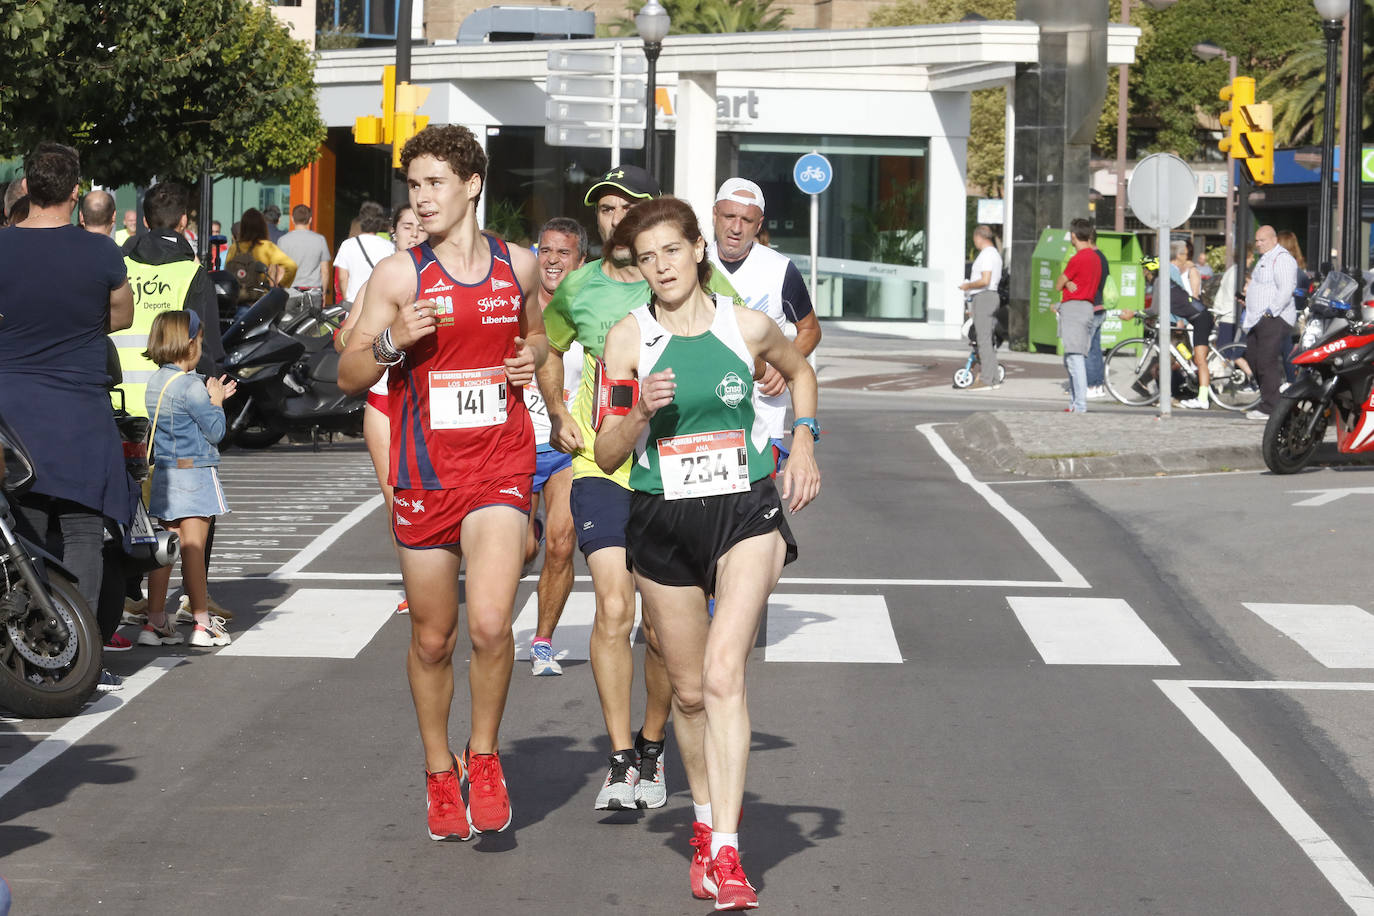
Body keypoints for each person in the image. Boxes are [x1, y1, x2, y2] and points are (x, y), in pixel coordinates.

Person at [594, 197, 821, 912]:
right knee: (688, 693)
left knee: (725, 674)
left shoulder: (745, 325)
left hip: (745, 509)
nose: (660, 266)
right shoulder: (628, 342)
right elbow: (604, 451)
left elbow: (802, 370)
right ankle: (702, 822)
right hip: (662, 519)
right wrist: (637, 415)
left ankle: (728, 849)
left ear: (698, 250)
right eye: (646, 257)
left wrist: (805, 440)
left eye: (671, 250)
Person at [337, 125, 545, 841]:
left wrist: (527, 360)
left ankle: (483, 756)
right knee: (433, 638)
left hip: (500, 463)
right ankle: (437, 767)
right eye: (414, 186)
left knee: (489, 625)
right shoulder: (399, 275)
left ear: (471, 185)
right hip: (426, 471)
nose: (421, 199)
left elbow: (540, 335)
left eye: (433, 184)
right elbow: (348, 372)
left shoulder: (517, 266)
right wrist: (395, 344)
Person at [538, 165, 743, 812]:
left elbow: (740, 330)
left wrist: (767, 376)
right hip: (603, 463)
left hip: (671, 466)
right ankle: (620, 757)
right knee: (613, 607)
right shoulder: (580, 286)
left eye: (629, 208)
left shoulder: (690, 273)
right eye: (605, 210)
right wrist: (557, 410)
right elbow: (544, 344)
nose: (616, 220)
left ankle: (655, 747)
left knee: (661, 629)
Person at [0, 142, 134, 692]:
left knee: (21, 531)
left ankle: (29, 653)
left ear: (27, 187)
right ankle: (81, 654)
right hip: (80, 409)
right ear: (77, 192)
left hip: (12, 415)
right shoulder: (100, 253)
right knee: (82, 529)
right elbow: (120, 317)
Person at [334, 204, 428, 616]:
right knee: (396, 498)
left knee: (439, 494)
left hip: (430, 403)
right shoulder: (379, 279)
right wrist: (366, 337)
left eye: (421, 227)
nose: (414, 233)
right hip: (384, 400)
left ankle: (441, 569)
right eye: (407, 227)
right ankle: (415, 583)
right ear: (395, 233)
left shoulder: (446, 279)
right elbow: (342, 339)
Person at [707, 177, 822, 464]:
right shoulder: (692, 263)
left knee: (755, 507)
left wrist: (785, 366)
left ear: (759, 225)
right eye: (729, 216)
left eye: (746, 220)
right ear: (714, 215)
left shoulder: (779, 269)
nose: (736, 227)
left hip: (762, 419)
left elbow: (810, 330)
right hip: (702, 418)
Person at [138, 310, 234, 648]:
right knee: (194, 549)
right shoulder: (193, 386)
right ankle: (202, 623)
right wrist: (217, 401)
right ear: (188, 342)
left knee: (165, 549)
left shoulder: (156, 383)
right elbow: (216, 431)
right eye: (199, 339)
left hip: (165, 473)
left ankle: (154, 623)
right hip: (194, 473)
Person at [522, 217, 586, 676]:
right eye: (546, 250)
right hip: (515, 444)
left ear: (580, 260)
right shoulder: (517, 307)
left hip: (566, 444)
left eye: (564, 253)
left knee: (563, 546)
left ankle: (543, 640)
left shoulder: (589, 312)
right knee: (522, 550)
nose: (553, 260)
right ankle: (531, 533)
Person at [1242, 225, 1298, 420]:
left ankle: (1271, 406)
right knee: (1252, 356)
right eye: (1256, 240)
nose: (1258, 244)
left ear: (1274, 240)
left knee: (1265, 360)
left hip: (1273, 318)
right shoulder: (1264, 258)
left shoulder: (1281, 258)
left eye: (1262, 240)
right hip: (1257, 318)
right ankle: (1271, 397)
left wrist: (1270, 313)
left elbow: (1286, 289)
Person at [1053, 219, 1102, 413]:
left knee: (1074, 359)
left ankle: (1079, 405)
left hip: (1074, 310)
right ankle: (1074, 403)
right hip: (1088, 308)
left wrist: (1065, 283)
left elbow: (1058, 283)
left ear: (1074, 236)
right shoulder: (1096, 258)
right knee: (1073, 357)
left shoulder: (1078, 258)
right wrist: (1068, 283)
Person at [958, 224, 1002, 391]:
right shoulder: (994, 254)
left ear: (978, 237)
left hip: (984, 297)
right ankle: (994, 378)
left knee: (983, 341)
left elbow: (985, 280)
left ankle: (986, 380)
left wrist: (968, 286)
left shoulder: (987, 255)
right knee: (987, 340)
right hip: (988, 297)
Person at [334, 201, 395, 304]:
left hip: (353, 302)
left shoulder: (347, 245)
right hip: (378, 304)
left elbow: (343, 277)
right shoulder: (390, 246)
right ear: (380, 223)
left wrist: (347, 299)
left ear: (361, 221)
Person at [226, 208, 297, 291]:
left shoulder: (234, 247)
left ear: (243, 227)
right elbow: (292, 267)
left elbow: (228, 271)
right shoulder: (267, 246)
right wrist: (280, 284)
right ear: (262, 226)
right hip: (261, 296)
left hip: (239, 295)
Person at [277, 204, 333, 303]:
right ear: (310, 220)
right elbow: (325, 272)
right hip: (313, 294)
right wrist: (323, 293)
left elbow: (281, 273)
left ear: (292, 219)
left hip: (290, 294)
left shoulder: (283, 241)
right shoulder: (320, 240)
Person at [1276, 230, 1310, 384]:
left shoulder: (1285, 268)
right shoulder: (1299, 269)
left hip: (1283, 316)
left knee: (1284, 350)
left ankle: (1290, 382)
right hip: (1295, 317)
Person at [1084, 228, 1111, 400]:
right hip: (1100, 306)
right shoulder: (1102, 256)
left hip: (1092, 306)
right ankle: (1098, 384)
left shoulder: (1092, 257)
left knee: (1087, 349)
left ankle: (1092, 384)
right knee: (1095, 348)